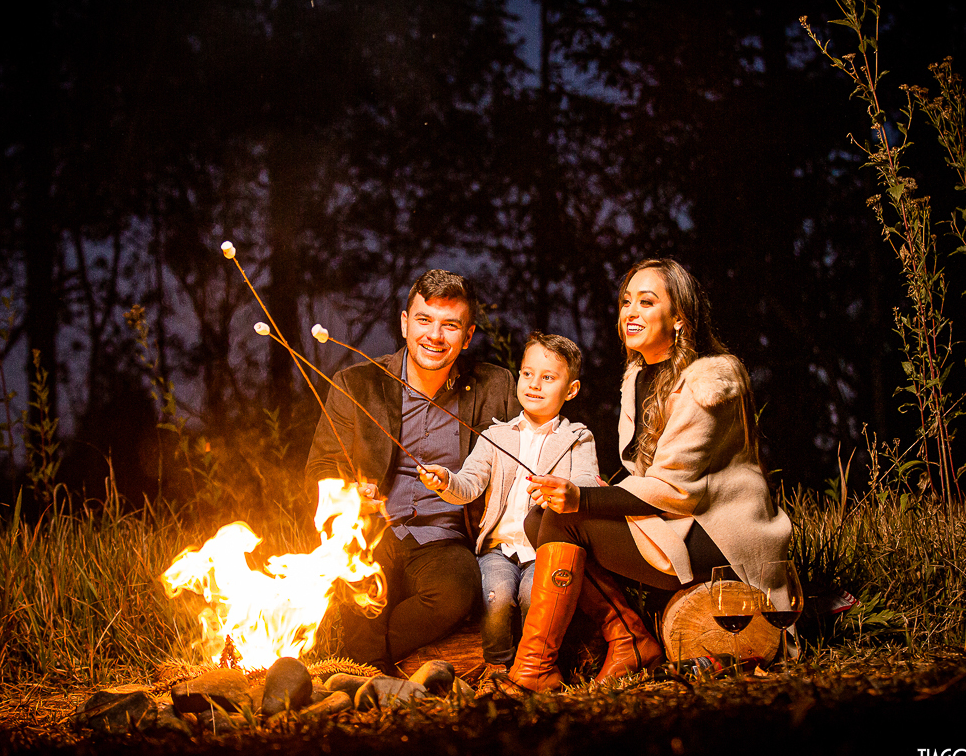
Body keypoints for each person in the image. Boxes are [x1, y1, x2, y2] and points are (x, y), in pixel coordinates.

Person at [510, 258, 793, 692]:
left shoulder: (708, 383)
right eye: (626, 302)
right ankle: (628, 638)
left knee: (565, 516)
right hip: (672, 517)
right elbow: (647, 473)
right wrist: (601, 491)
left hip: (717, 533)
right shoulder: (639, 375)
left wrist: (585, 498)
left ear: (679, 317)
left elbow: (676, 488)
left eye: (647, 301)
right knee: (538, 516)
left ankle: (535, 670)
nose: (631, 312)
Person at [305, 270, 520, 674]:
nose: (435, 336)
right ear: (405, 323)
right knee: (357, 577)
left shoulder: (495, 387)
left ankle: (361, 664)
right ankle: (370, 679)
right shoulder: (357, 384)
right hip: (373, 531)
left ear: (468, 335)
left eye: (450, 325)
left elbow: (532, 446)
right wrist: (348, 493)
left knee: (457, 593)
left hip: (445, 539)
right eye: (424, 320)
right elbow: (319, 466)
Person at [419, 332, 603, 678]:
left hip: (545, 549)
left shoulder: (578, 437)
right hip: (499, 549)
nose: (534, 384)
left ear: (572, 390)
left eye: (548, 378)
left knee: (535, 597)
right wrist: (446, 480)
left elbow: (588, 483)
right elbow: (469, 483)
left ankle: (538, 667)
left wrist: (565, 490)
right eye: (527, 373)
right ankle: (497, 668)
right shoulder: (495, 435)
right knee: (498, 596)